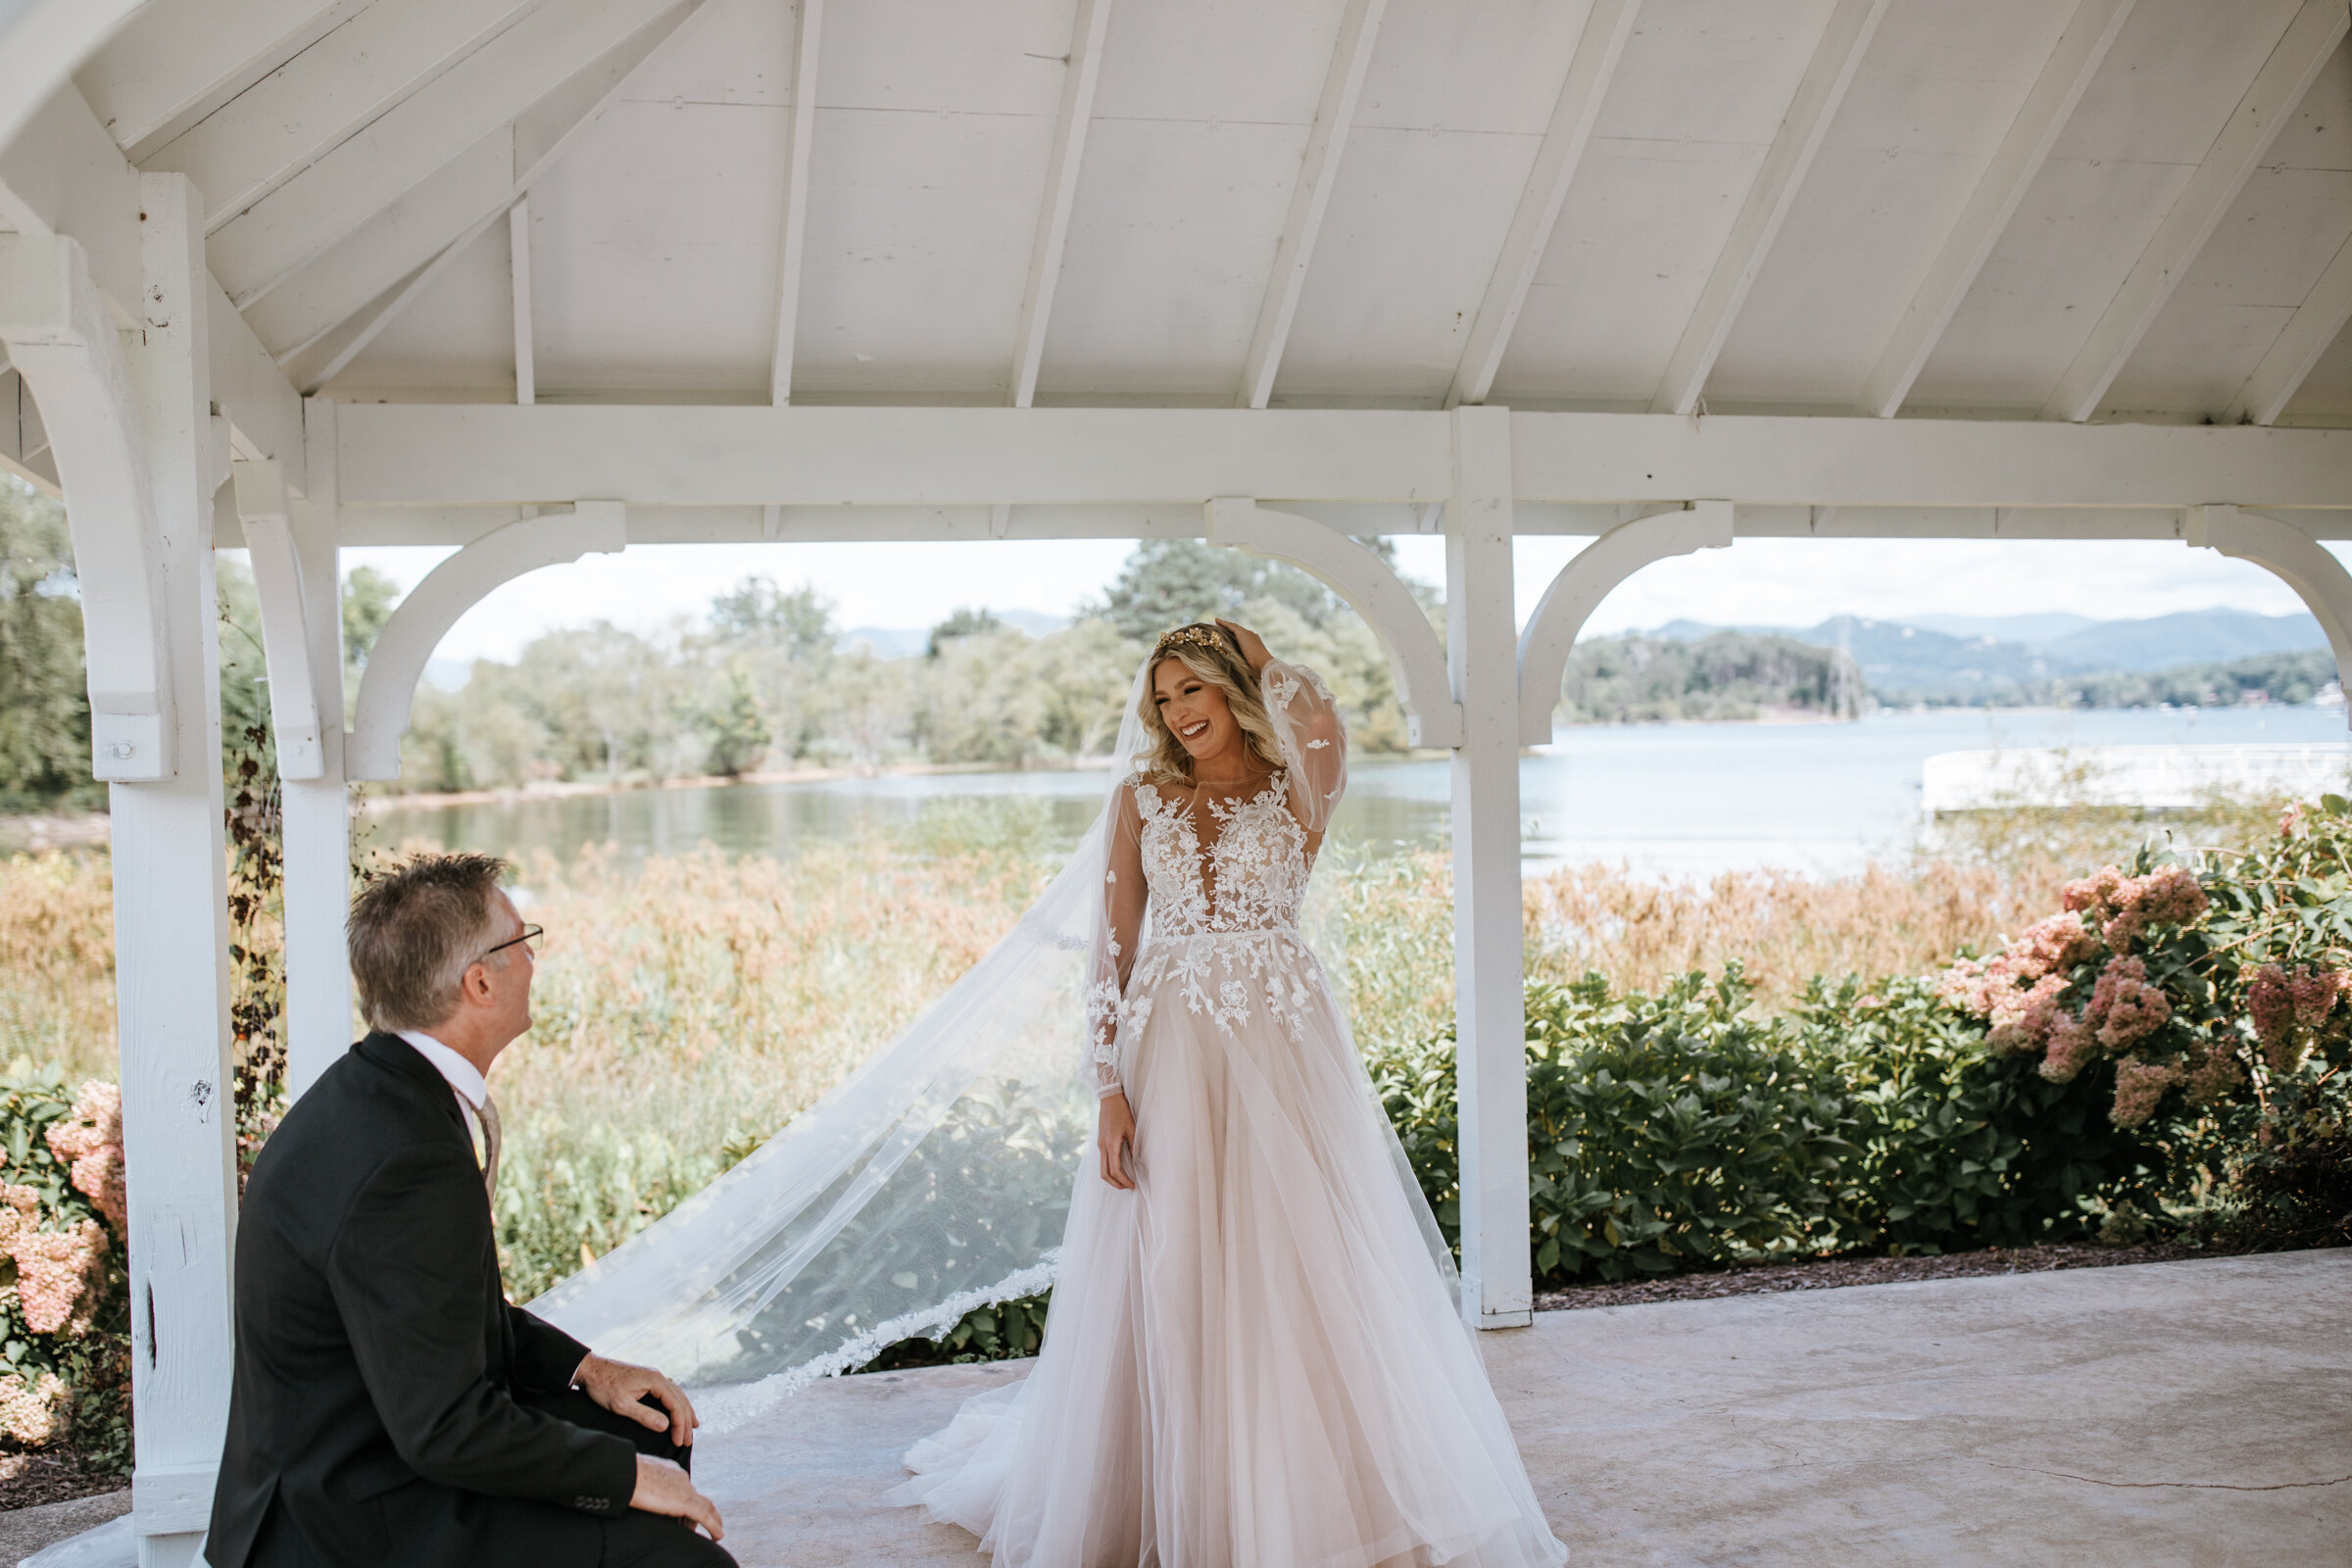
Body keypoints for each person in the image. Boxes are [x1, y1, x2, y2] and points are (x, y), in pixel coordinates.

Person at [890, 621, 1567, 1567]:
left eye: (1192, 691)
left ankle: (1299, 1487)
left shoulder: (1299, 786)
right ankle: (1163, 1478)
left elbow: (1321, 712)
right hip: (1171, 1041)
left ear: (1231, 689)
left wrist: (1245, 642)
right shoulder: (1141, 796)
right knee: (1172, 1252)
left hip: (1286, 1042)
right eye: (1162, 699)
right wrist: (1107, 1086)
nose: (1176, 712)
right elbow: (1113, 945)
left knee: (1296, 1251)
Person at [206, 853, 735, 1568]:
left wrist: (588, 1370)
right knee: (682, 1559)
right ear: (480, 982)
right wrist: (628, 1481)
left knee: (650, 1427)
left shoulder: (383, 1089)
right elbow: (445, 1429)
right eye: (522, 941)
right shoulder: (404, 1157)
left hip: (372, 1440)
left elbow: (438, 1315)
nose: (534, 962)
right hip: (346, 1512)